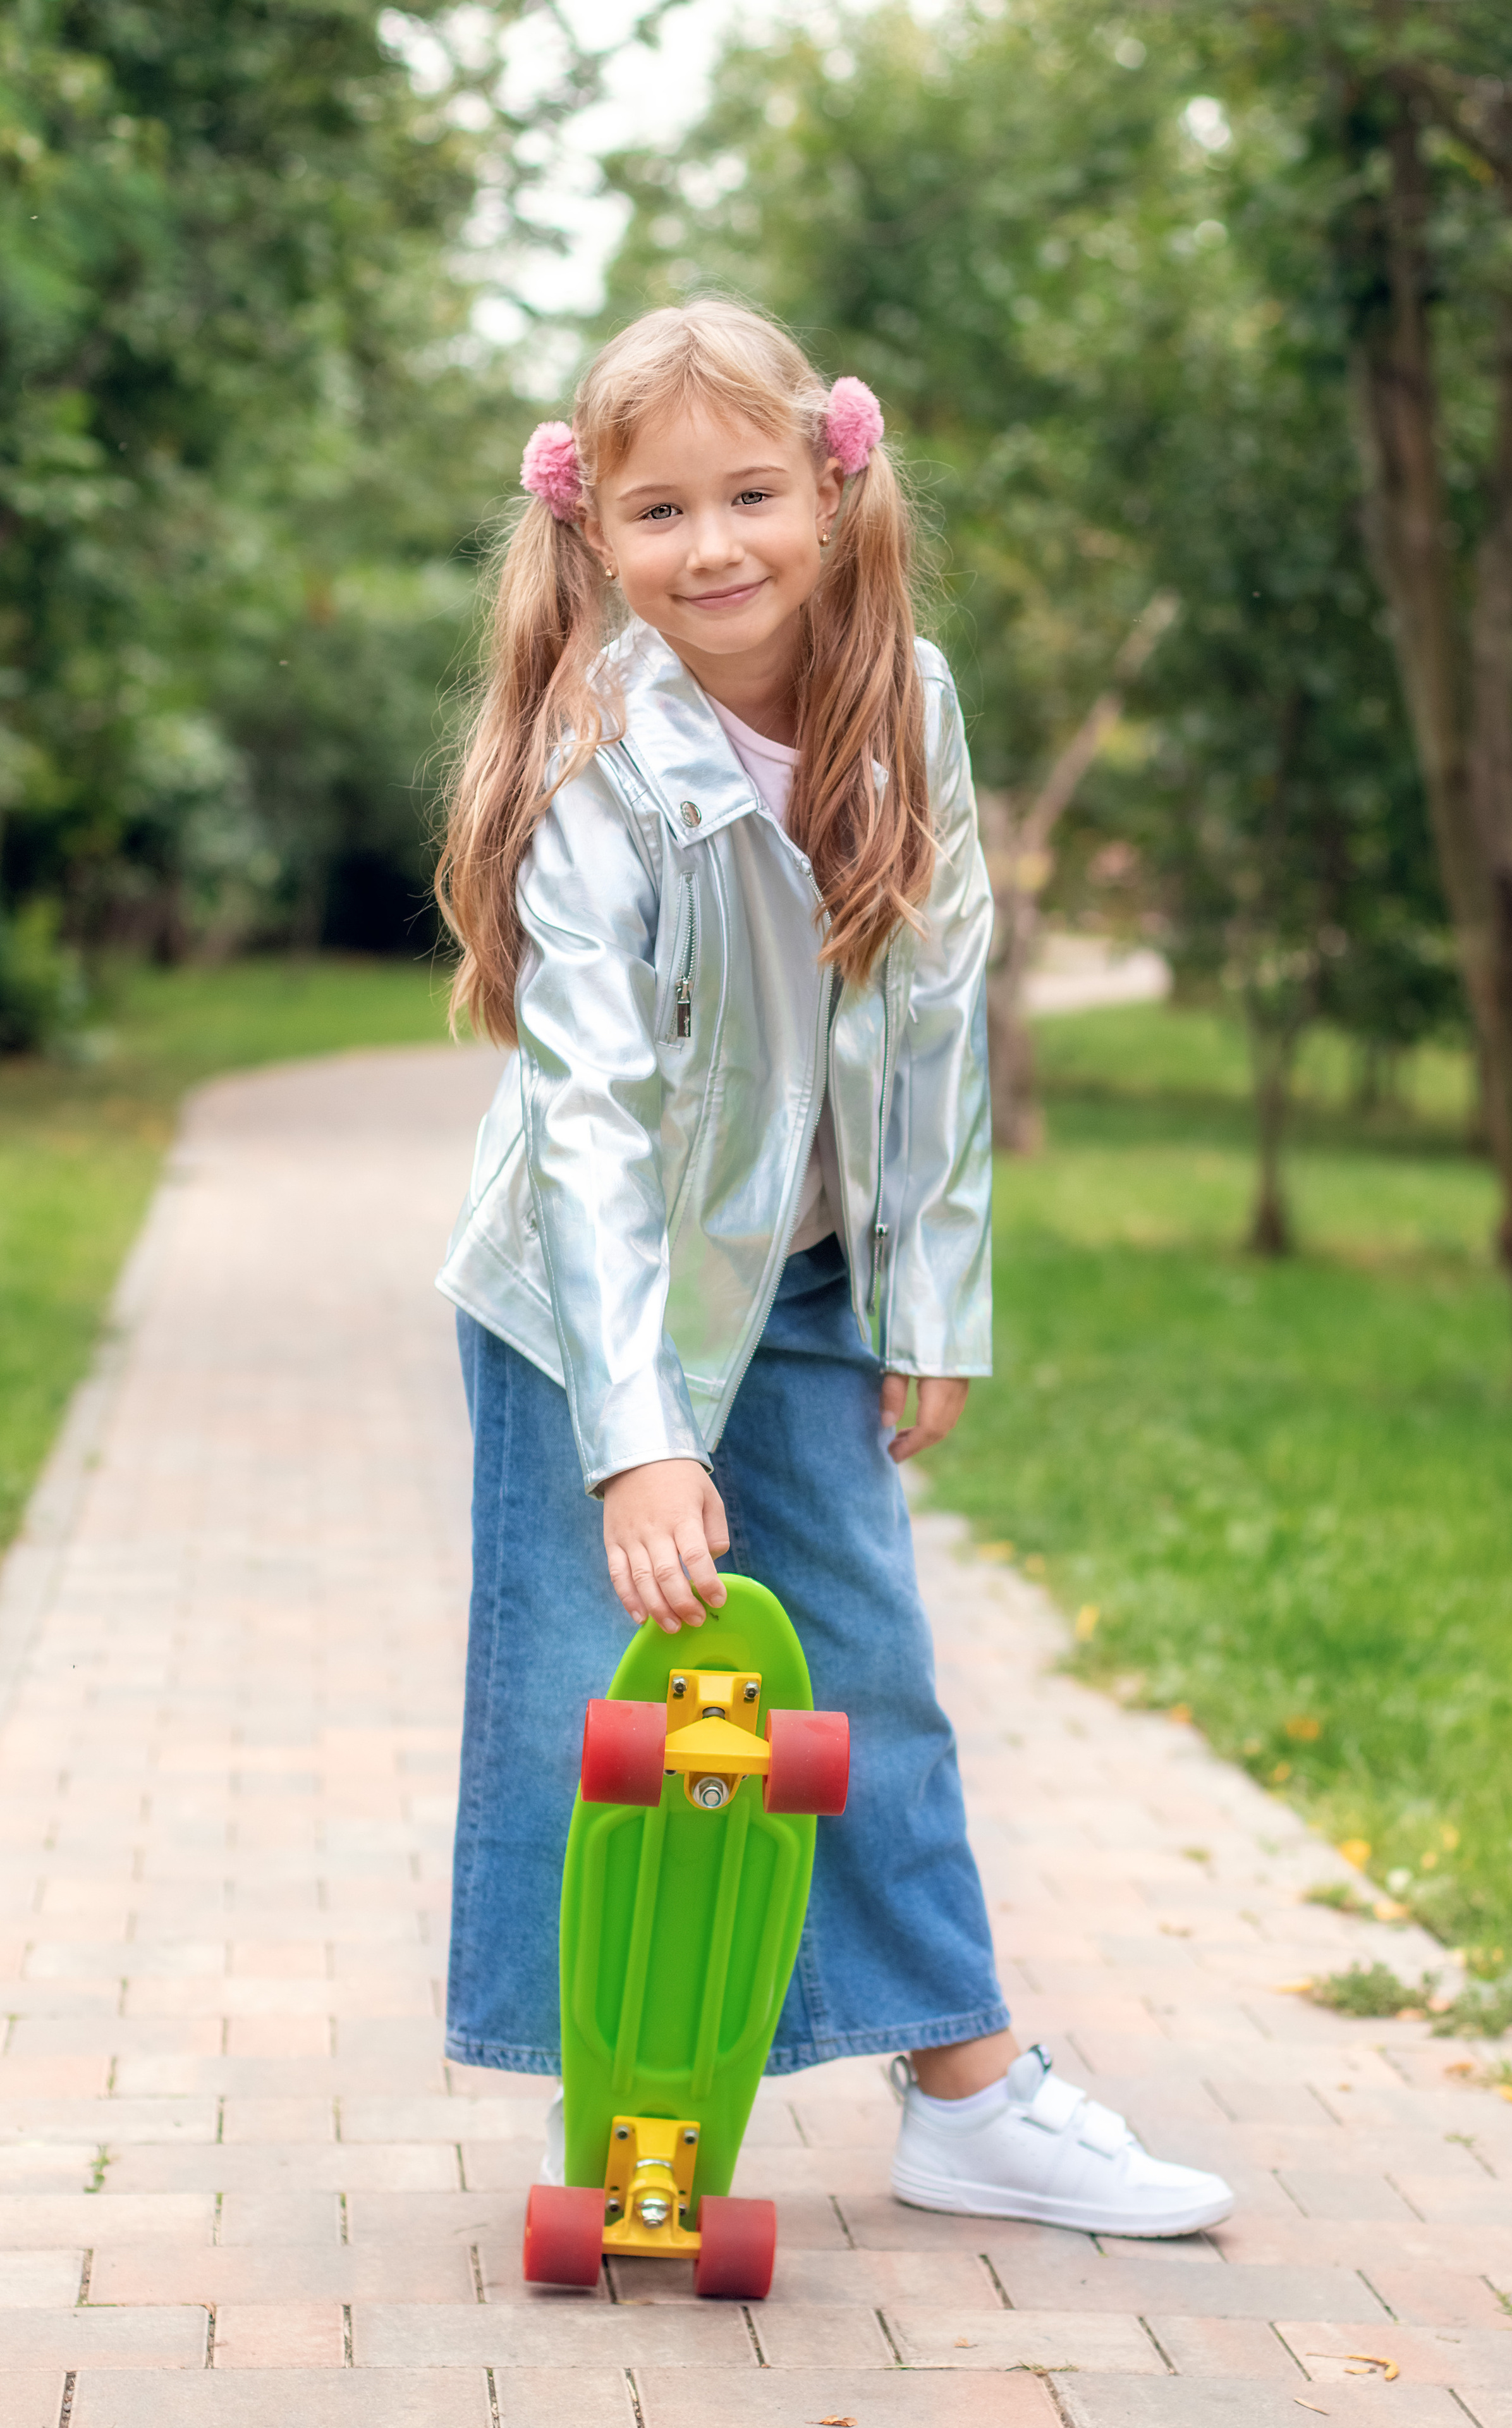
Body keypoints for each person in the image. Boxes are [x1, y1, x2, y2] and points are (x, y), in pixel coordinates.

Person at [432, 298, 1233, 2238]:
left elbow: (940, 1005)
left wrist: (930, 1302)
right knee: (587, 1701)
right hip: (584, 1305)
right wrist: (635, 1441)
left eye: (750, 495)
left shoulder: (911, 699)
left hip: (801, 1281)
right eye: (658, 512)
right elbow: (596, 1123)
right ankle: (625, 2119)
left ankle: (965, 2091)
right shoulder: (598, 755)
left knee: (868, 1666)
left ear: (832, 484)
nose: (714, 550)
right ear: (590, 532)